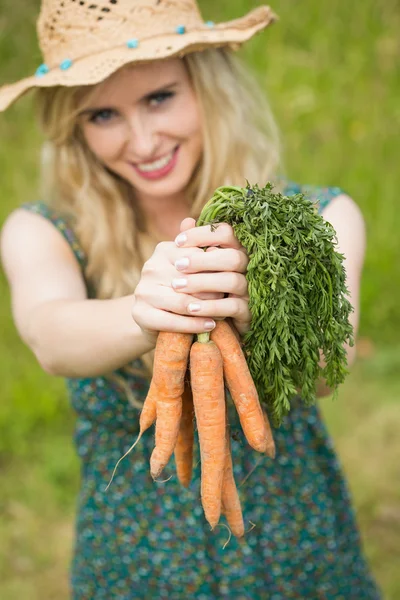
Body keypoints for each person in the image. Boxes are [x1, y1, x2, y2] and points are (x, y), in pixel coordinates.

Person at [0, 1, 381, 599]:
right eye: (104, 114)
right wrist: (142, 313)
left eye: (159, 98)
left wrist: (266, 308)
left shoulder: (320, 219)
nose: (144, 140)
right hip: (135, 546)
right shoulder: (43, 231)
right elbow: (52, 334)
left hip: (291, 525)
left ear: (208, 86)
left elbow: (331, 363)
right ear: (73, 127)